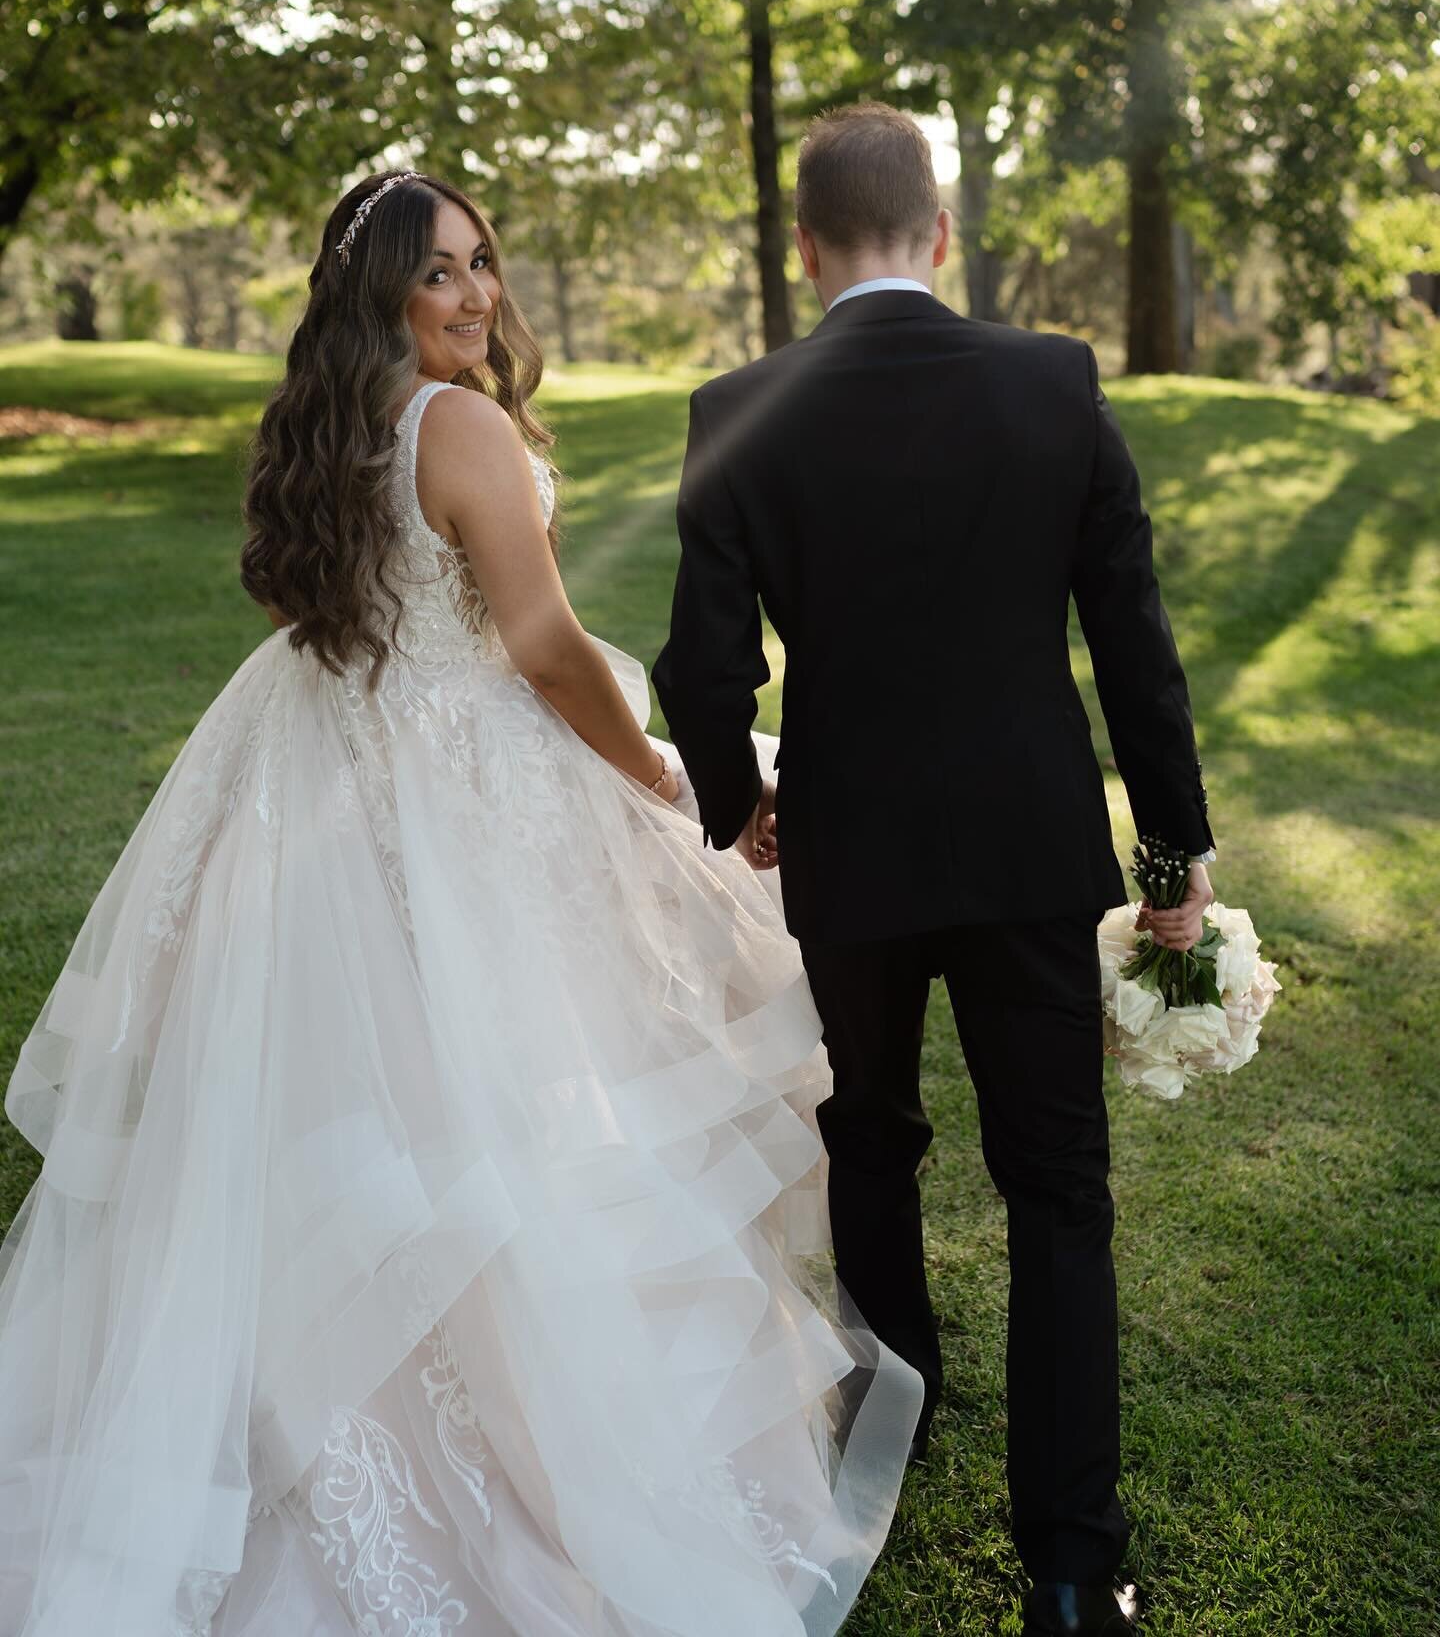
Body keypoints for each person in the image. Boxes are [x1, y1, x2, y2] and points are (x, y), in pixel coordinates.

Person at [0, 169, 923, 1637]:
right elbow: (548, 643)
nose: (478, 295)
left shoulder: (335, 428)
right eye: (441, 274)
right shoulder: (459, 422)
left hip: (346, 767)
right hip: (468, 781)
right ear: (383, 295)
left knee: (393, 1103)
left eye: (485, 263)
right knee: (528, 1104)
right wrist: (667, 784)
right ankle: (516, 1451)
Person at [653, 103, 1216, 1637]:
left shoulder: (739, 408)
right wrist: (1172, 858)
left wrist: (737, 806)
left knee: (873, 1140)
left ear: (805, 246)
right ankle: (1070, 1567)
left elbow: (705, 673)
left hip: (853, 845)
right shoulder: (1052, 381)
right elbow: (1133, 641)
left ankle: (887, 1446)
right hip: (1033, 842)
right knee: (1058, 1189)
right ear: (941, 234)